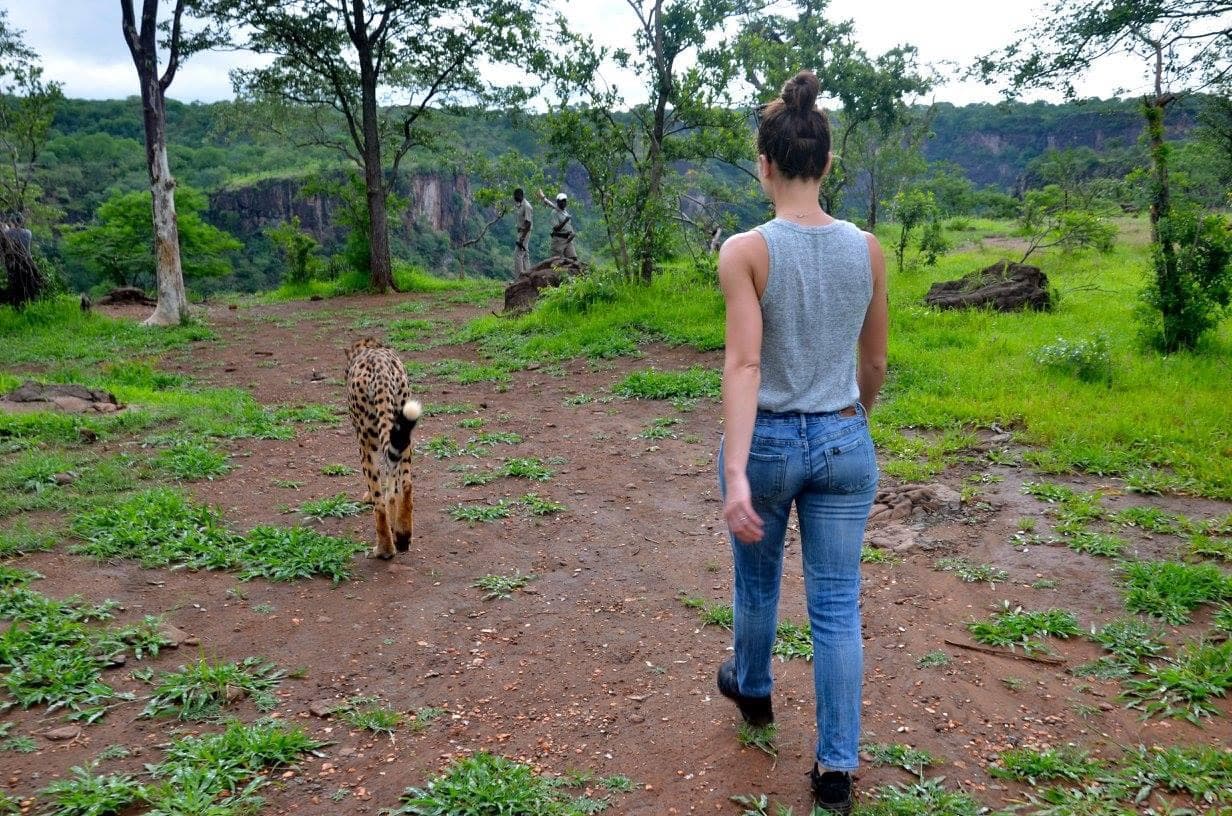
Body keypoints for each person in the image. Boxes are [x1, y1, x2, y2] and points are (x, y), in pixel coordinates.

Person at [715, 69, 888, 814]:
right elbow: (874, 363)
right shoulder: (867, 249)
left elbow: (745, 365)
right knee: (838, 605)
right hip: (845, 437)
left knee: (757, 583)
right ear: (826, 162)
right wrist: (851, 421)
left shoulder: (745, 251)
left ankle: (754, 688)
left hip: (770, 443)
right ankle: (836, 770)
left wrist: (736, 472)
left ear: (765, 164)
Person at [537, 188, 577, 261]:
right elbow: (556, 228)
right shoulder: (554, 213)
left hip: (568, 239)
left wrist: (572, 232)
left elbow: (568, 226)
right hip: (558, 240)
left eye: (565, 201)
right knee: (555, 261)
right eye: (562, 201)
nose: (564, 202)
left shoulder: (565, 212)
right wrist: (565, 221)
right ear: (558, 202)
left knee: (573, 259)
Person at [513, 188, 533, 277]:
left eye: (515, 196)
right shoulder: (521, 205)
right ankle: (528, 275)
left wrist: (522, 238)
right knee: (525, 254)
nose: (514, 198)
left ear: (520, 195)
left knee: (518, 254)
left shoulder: (526, 206)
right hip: (522, 231)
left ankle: (519, 277)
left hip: (525, 232)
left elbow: (528, 223)